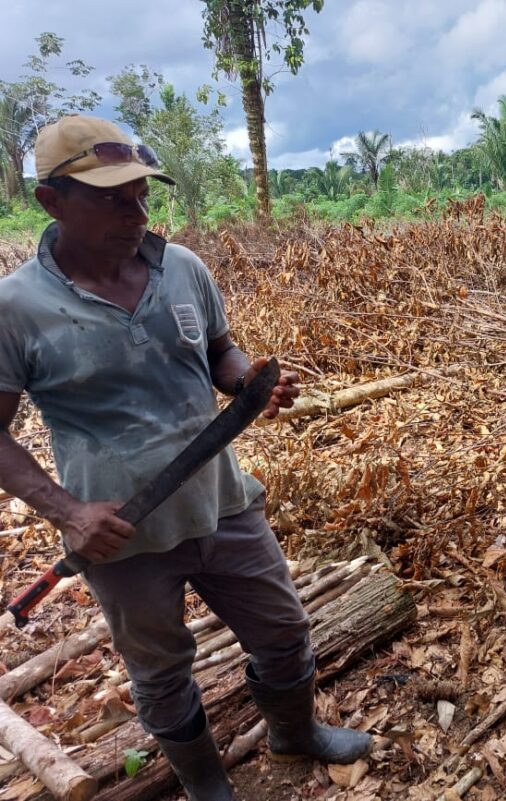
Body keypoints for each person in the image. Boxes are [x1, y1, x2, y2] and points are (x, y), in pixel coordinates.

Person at [0, 115, 368, 801]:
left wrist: (245, 382)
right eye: (112, 199)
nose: (136, 214)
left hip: (222, 501)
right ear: (51, 201)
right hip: (122, 534)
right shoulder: (17, 307)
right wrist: (68, 512)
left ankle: (294, 733)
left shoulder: (183, 269)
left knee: (284, 630)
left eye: (140, 195)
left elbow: (218, 351)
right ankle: (205, 783)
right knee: (161, 671)